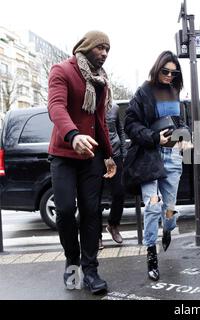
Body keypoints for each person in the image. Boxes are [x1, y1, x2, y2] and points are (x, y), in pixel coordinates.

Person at [47, 30, 116, 294]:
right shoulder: (62, 70)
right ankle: (71, 261)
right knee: (64, 211)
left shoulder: (101, 81)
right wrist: (73, 135)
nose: (105, 54)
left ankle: (90, 270)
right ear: (87, 47)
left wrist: (109, 156)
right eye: (101, 48)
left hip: (92, 157)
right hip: (64, 154)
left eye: (108, 49)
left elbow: (99, 121)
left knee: (91, 212)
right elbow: (56, 107)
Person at [124, 50, 190, 281]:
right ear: (157, 68)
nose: (169, 76)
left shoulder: (175, 92)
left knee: (169, 210)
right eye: (165, 71)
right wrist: (154, 137)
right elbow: (130, 124)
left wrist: (185, 137)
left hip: (172, 155)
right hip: (150, 155)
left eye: (174, 72)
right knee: (152, 206)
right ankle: (151, 254)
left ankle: (169, 227)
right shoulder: (143, 92)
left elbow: (182, 122)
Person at [98, 102, 126, 250]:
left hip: (114, 156)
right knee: (95, 198)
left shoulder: (114, 107)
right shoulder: (91, 105)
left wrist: (123, 153)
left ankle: (113, 225)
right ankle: (97, 236)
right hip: (96, 158)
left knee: (119, 192)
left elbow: (120, 131)